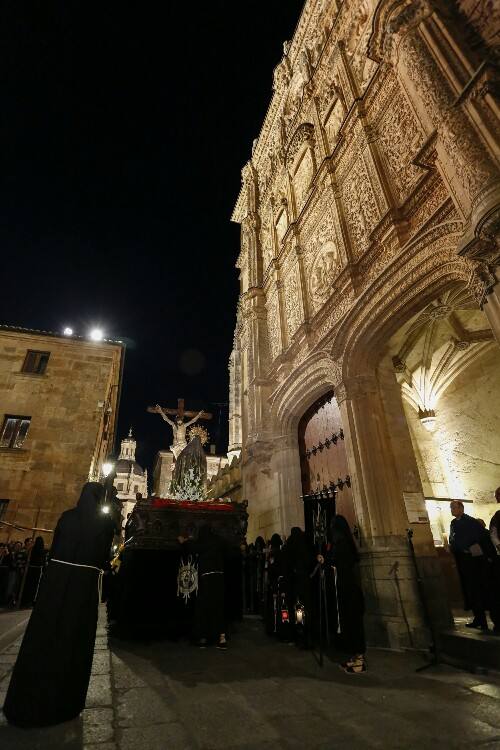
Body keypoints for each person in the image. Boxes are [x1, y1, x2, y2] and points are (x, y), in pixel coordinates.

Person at [3, 482, 114, 727]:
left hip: (55, 583)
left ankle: (26, 699)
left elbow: (56, 549)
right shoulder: (104, 523)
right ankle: (64, 699)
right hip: (82, 588)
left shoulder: (67, 517)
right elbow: (103, 556)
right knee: (73, 636)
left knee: (43, 634)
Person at [318, 515, 366, 673]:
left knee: (353, 623)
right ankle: (354, 657)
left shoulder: (342, 545)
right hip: (345, 589)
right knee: (348, 623)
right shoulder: (342, 544)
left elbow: (338, 565)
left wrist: (326, 562)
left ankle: (360, 659)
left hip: (348, 589)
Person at [178, 524, 227, 649]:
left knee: (204, 607)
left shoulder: (204, 542)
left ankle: (203, 637)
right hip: (220, 577)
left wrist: (184, 542)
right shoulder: (218, 541)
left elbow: (193, 548)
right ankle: (221, 638)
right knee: (218, 607)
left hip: (207, 577)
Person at [449, 500, 489, 630]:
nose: (452, 510)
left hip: (471, 560)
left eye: (454, 507)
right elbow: (453, 538)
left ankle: (482, 619)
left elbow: (476, 538)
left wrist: (464, 547)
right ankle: (477, 617)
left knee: (476, 588)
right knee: (469, 589)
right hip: (461, 560)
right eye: (451, 508)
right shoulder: (453, 523)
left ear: (461, 508)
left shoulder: (470, 522)